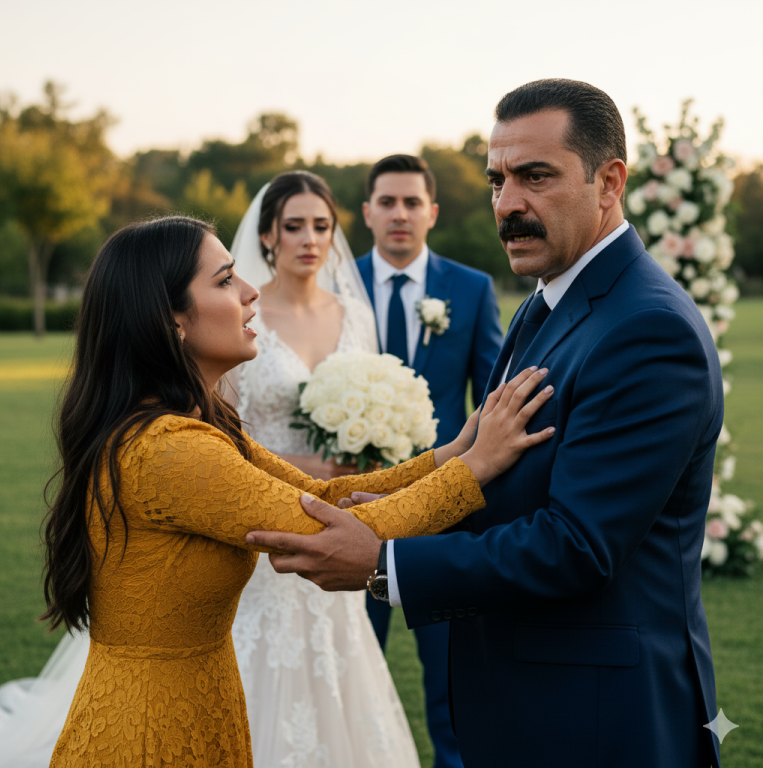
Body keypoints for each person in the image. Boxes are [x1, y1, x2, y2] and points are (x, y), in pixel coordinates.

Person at [248, 79, 724, 768]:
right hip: (528, 695)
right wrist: (393, 510)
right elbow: (499, 477)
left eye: (536, 177)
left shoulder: (648, 329)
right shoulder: (546, 301)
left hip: (595, 716)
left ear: (609, 181)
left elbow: (577, 546)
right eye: (498, 180)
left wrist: (383, 562)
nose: (508, 205)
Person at [35, 214, 555, 766]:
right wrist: (474, 470)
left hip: (196, 703)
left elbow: (324, 498)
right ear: (171, 320)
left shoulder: (197, 424)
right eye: (225, 280)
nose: (250, 290)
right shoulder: (169, 449)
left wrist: (452, 453)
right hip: (147, 731)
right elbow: (329, 534)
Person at [228, 171, 419, 767]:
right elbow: (220, 437)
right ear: (267, 237)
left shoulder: (353, 315)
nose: (309, 239)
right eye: (293, 227)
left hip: (340, 523)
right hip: (264, 522)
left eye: (321, 226)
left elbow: (377, 401)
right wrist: (312, 465)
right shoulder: (244, 315)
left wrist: (377, 447)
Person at [355, 155, 503, 768]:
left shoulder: (471, 288)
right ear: (366, 212)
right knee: (352, 676)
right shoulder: (333, 288)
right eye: (386, 202)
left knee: (449, 684)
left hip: (445, 512)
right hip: (353, 511)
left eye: (411, 202)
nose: (399, 214)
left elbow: (494, 398)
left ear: (432, 212)